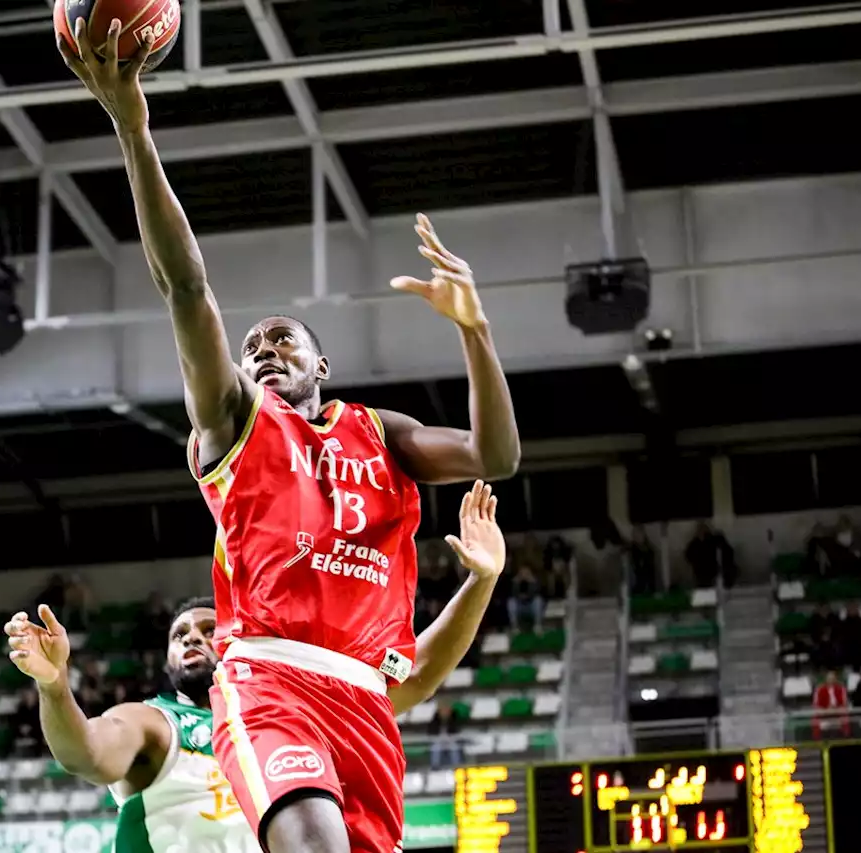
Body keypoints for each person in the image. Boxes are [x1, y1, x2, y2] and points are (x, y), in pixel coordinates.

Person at [58, 18, 519, 853]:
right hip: (269, 679)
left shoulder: (384, 432)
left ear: (322, 363)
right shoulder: (235, 422)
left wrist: (477, 333)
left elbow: (496, 457)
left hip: (367, 701)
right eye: (252, 346)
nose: (263, 350)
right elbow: (186, 288)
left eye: (283, 341)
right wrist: (132, 122)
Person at [6, 480, 507, 853]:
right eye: (180, 636)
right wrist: (54, 687)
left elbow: (414, 677)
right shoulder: (154, 723)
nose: (193, 640)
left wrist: (481, 581)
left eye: (207, 629)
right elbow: (86, 755)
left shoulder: (297, 704)